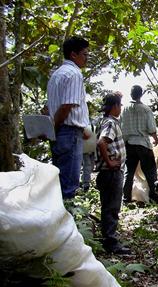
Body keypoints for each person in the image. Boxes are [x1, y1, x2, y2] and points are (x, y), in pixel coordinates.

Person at [47, 36, 90, 199]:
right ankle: (65, 219)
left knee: (60, 181)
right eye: (84, 54)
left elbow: (50, 107)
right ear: (73, 55)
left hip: (60, 133)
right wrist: (55, 127)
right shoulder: (74, 74)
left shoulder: (56, 75)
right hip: (68, 132)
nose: (86, 58)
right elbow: (66, 106)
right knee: (68, 185)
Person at [95, 93, 130, 254]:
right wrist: (110, 162)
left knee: (108, 206)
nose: (121, 108)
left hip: (109, 172)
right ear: (114, 106)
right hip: (111, 172)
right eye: (120, 105)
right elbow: (102, 142)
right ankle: (110, 242)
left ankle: (108, 238)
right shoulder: (110, 123)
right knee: (112, 207)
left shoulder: (104, 121)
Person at [121, 85, 158, 203]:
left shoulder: (125, 109)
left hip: (129, 144)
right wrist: (155, 138)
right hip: (143, 143)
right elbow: (151, 128)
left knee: (129, 171)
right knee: (150, 171)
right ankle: (153, 196)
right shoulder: (145, 109)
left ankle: (126, 197)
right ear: (141, 94)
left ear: (131, 94)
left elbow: (121, 126)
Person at [81, 97, 97, 192]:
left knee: (91, 166)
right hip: (85, 147)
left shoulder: (93, 121)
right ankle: (85, 185)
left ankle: (87, 183)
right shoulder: (82, 120)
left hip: (92, 146)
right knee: (87, 166)